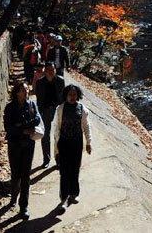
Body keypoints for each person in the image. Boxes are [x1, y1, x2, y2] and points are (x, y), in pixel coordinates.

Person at [3, 81, 42, 221]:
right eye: (23, 90)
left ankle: (23, 206)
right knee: (16, 174)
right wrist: (23, 130)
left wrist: (22, 126)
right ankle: (13, 198)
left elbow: (37, 120)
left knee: (26, 176)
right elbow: (8, 127)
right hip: (14, 145)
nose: (26, 92)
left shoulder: (31, 105)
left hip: (28, 145)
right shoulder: (10, 108)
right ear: (17, 92)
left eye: (27, 90)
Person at [53, 83, 92, 213]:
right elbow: (56, 128)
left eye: (74, 94)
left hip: (76, 143)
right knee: (64, 172)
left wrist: (88, 143)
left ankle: (74, 194)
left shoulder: (82, 109)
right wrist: (56, 147)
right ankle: (63, 199)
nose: (72, 96)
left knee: (75, 169)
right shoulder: (60, 109)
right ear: (66, 95)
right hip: (64, 143)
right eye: (70, 94)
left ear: (78, 95)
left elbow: (86, 126)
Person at [35, 62, 65, 167]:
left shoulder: (60, 81)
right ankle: (46, 160)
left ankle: (58, 160)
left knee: (58, 135)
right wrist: (39, 112)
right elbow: (39, 98)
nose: (50, 72)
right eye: (48, 70)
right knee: (45, 135)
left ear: (55, 71)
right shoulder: (40, 83)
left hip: (57, 109)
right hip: (45, 110)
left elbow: (63, 97)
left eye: (52, 70)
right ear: (44, 71)